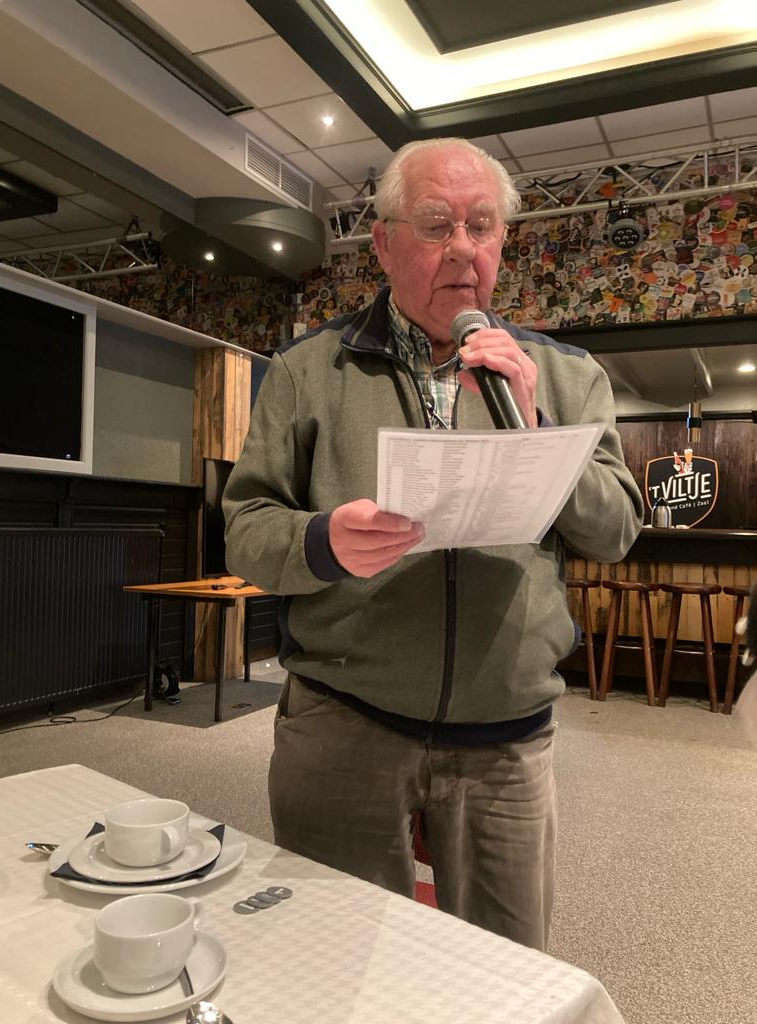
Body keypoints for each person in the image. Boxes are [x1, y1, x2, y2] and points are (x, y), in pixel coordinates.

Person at [223, 138, 644, 951]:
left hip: (506, 737)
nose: (462, 247)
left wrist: (538, 426)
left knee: (507, 975)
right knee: (332, 962)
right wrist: (320, 541)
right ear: (383, 243)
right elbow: (245, 527)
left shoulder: (564, 375)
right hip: (342, 723)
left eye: (481, 226)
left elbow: (615, 530)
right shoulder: (307, 370)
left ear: (502, 242)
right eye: (435, 224)